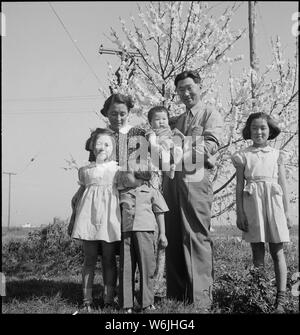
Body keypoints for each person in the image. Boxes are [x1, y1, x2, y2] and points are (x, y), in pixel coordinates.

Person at [162, 70, 223, 310]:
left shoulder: (210, 113)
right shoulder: (175, 120)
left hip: (195, 181)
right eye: (181, 90)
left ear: (199, 86)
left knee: (196, 234)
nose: (186, 93)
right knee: (174, 235)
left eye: (190, 87)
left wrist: (183, 146)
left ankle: (200, 300)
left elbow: (211, 145)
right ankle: (177, 296)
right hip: (171, 181)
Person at [231, 112, 291, 313]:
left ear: (270, 130)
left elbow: (282, 184)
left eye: (263, 128)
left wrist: (287, 213)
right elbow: (239, 186)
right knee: (257, 251)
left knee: (277, 251)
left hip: (274, 204)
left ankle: (280, 300)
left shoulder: (277, 155)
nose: (259, 132)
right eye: (254, 128)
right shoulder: (243, 155)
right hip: (252, 204)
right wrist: (240, 212)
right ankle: (259, 294)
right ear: (249, 130)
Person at [69, 128, 121, 312]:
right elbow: (81, 192)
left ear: (113, 148)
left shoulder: (117, 169)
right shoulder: (85, 170)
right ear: (92, 145)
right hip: (88, 217)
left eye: (107, 144)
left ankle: (108, 298)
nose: (102, 148)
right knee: (89, 258)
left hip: (109, 217)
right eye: (99, 143)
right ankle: (87, 300)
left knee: (108, 258)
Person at [117, 165, 169, 313]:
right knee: (126, 268)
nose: (125, 176)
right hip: (126, 233)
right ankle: (126, 304)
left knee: (147, 268)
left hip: (145, 233)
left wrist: (163, 234)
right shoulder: (122, 193)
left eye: (129, 174)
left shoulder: (152, 192)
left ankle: (147, 303)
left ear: (141, 177)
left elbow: (160, 212)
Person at [146, 105, 184, 180]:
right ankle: (168, 172)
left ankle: (176, 161)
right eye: (157, 119)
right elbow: (152, 141)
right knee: (164, 157)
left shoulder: (170, 130)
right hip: (161, 148)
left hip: (171, 147)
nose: (161, 122)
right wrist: (156, 147)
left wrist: (182, 138)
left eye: (164, 119)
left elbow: (179, 136)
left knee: (178, 149)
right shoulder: (152, 132)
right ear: (151, 123)